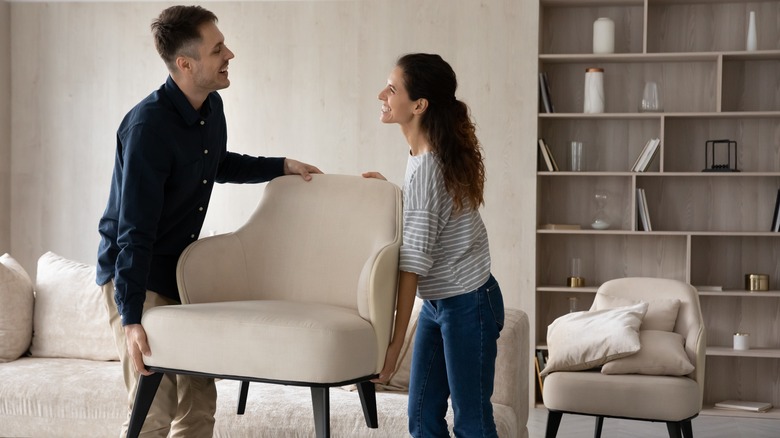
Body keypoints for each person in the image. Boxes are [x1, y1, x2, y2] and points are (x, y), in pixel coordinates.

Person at [96, 6, 321, 438]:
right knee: (153, 412)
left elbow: (215, 163)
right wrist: (131, 318)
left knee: (200, 405)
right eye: (217, 49)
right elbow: (133, 232)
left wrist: (282, 165)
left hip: (181, 274)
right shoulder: (147, 128)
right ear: (185, 63)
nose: (229, 54)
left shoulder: (210, 107)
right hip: (137, 278)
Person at [363, 53, 504, 437]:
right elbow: (428, 215)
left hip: (468, 303)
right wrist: (393, 194)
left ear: (419, 105)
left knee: (472, 423)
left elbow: (412, 263)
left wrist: (393, 347)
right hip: (443, 302)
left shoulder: (427, 166)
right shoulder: (424, 156)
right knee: (422, 416)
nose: (382, 94)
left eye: (392, 89)